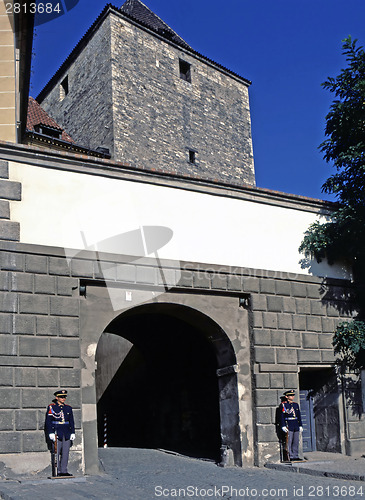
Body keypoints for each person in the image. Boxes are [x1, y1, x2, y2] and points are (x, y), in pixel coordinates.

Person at [45, 389, 75, 476]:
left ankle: (64, 471)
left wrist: (72, 432)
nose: (63, 398)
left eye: (64, 397)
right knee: (56, 452)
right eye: (61, 397)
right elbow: (48, 421)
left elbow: (71, 421)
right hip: (56, 432)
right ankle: (57, 471)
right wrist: (50, 432)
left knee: (65, 452)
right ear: (57, 397)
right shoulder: (52, 407)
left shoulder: (68, 408)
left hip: (66, 433)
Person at [279, 389, 303, 461]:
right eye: (290, 395)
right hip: (289, 424)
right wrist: (283, 425)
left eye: (293, 395)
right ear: (286, 396)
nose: (292, 396)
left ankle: (295, 455)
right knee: (289, 441)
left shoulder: (295, 404)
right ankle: (290, 456)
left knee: (296, 441)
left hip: (295, 424)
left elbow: (299, 415)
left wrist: (300, 425)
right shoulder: (283, 405)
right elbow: (281, 416)